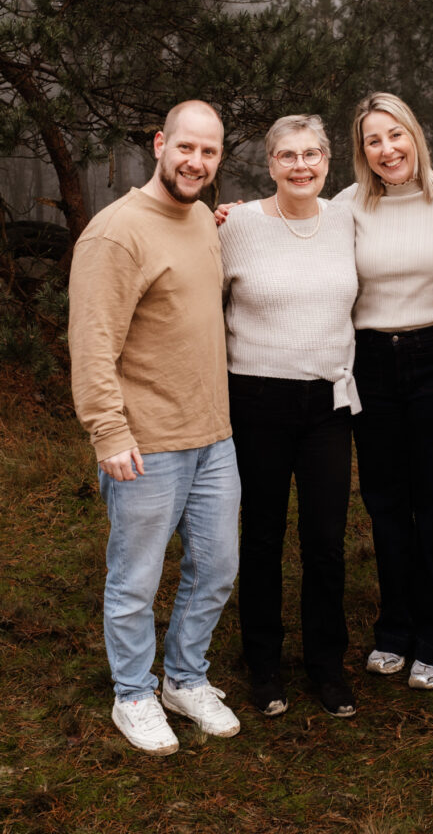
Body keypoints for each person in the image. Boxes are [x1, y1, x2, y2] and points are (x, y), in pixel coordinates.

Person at [68, 100, 242, 755]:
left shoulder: (200, 219)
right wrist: (108, 433)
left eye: (209, 151)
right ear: (160, 143)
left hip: (213, 436)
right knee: (135, 580)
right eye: (185, 147)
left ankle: (185, 679)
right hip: (145, 444)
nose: (196, 161)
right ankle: (134, 694)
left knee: (216, 568)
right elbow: (92, 344)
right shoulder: (115, 234)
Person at [218, 114, 360, 719]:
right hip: (257, 399)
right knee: (263, 535)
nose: (301, 166)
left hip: (329, 402)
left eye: (312, 154)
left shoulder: (347, 218)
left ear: (328, 160)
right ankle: (264, 664)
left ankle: (327, 664)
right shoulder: (237, 225)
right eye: (287, 156)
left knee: (325, 540)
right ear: (269, 163)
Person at [335, 92, 433, 690]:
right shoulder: (349, 206)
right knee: (385, 502)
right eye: (373, 141)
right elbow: (291, 224)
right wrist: (231, 218)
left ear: (415, 135)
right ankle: (395, 628)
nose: (387, 150)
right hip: (370, 363)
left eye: (396, 135)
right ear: (361, 151)